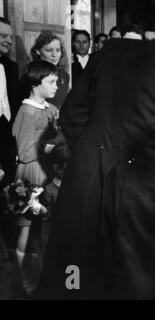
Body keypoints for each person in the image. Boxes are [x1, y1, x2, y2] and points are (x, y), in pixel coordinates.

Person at [38, 9, 155, 300]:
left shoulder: (113, 50)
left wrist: (95, 154)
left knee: (74, 278)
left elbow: (72, 115)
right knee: (140, 285)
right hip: (143, 200)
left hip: (83, 184)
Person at [12, 60, 59, 295]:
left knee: (45, 228)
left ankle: (41, 276)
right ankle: (22, 280)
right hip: (31, 173)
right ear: (35, 83)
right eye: (51, 81)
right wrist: (50, 146)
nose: (57, 86)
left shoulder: (50, 109)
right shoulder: (26, 111)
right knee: (27, 227)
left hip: (47, 171)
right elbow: (24, 152)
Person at [0, 17, 19, 187]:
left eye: (10, 37)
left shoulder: (12, 67)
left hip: (7, 138)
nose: (9, 41)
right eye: (3, 36)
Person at [30, 31, 70, 109]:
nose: (54, 55)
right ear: (38, 51)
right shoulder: (32, 74)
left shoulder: (64, 75)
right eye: (49, 50)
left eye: (58, 50)